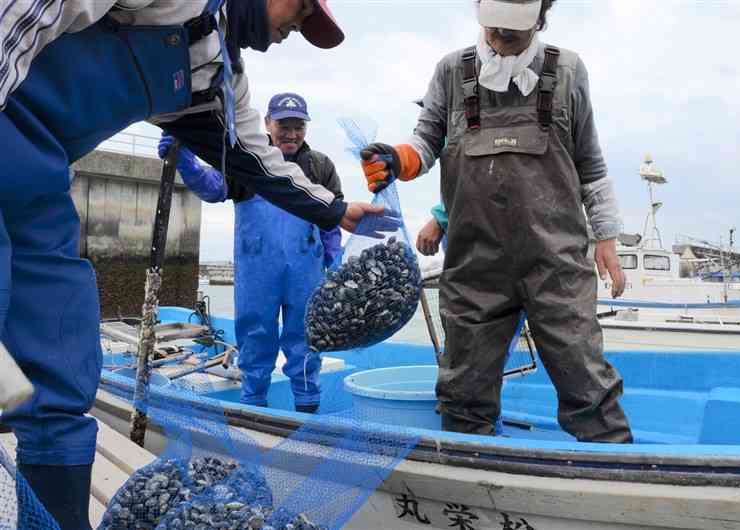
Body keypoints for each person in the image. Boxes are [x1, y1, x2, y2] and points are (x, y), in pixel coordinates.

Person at [0, 2, 382, 528]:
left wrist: (338, 211)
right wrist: (182, 163)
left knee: (60, 359)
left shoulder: (218, 77)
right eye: (301, 8)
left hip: (39, 179)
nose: (297, 27)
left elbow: (253, 159)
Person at [360, 0, 633, 442]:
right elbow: (425, 140)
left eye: (513, 31)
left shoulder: (568, 71)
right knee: (464, 392)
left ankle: (620, 480)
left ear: (540, 18)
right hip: (475, 268)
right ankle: (471, 482)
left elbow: (591, 164)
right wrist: (398, 159)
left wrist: (605, 237)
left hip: (557, 265)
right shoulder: (452, 71)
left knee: (587, 382)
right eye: (492, 29)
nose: (500, 39)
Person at [159, 92, 342, 413]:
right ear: (267, 124)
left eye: (299, 126)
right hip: (258, 271)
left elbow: (333, 214)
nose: (292, 133)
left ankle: (308, 409)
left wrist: (333, 255)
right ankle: (253, 408)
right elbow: (213, 187)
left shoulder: (320, 165)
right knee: (256, 339)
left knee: (307, 342)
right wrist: (186, 163)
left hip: (307, 272)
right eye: (284, 125)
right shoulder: (248, 161)